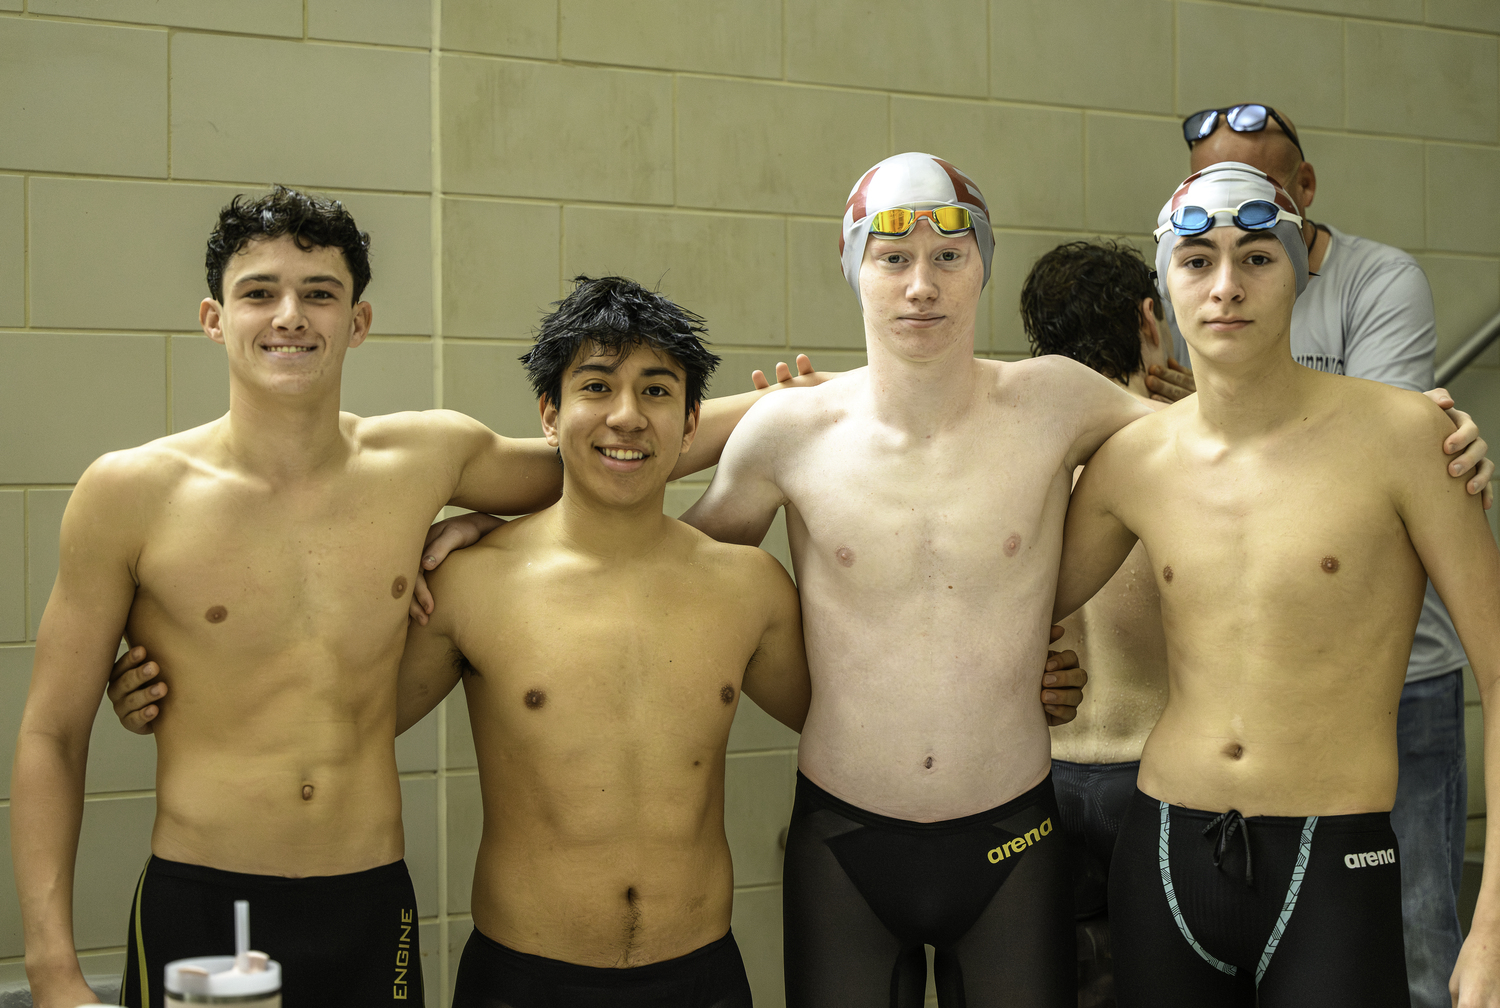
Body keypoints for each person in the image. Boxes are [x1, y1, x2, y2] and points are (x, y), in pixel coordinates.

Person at [11, 188, 823, 1008]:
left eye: (319, 294)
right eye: (260, 292)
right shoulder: (128, 493)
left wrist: (798, 406)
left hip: (369, 900)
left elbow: (604, 456)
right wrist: (52, 971)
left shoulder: (425, 459)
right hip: (211, 893)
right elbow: (50, 733)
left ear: (356, 320)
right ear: (214, 317)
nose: (290, 315)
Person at [681, 151, 1160, 1007]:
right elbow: (658, 570)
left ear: (983, 268)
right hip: (845, 838)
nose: (921, 285)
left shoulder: (1054, 401)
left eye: (949, 256)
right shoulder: (790, 430)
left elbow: (1218, 444)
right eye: (893, 258)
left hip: (1013, 832)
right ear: (853, 269)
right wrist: (494, 536)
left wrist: (1399, 423)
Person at [1052, 161, 1500, 1006]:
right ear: (1165, 289)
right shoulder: (1130, 461)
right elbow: (1005, 601)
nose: (1226, 286)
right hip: (1163, 851)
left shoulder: (1407, 438)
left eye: (1256, 257)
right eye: (1197, 261)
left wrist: (1495, 927)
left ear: (1297, 273)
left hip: (1333, 859)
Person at [384, 275, 811, 1007]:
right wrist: (167, 696)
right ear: (550, 415)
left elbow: (862, 727)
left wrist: (1011, 682)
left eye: (655, 390)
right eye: (595, 387)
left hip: (700, 978)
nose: (626, 416)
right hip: (525, 980)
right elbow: (340, 728)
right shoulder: (471, 585)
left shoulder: (749, 589)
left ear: (689, 422)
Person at [1020, 240, 1172, 1008]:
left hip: (1040, 775)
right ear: (1152, 321)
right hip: (1158, 773)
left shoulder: (1018, 462)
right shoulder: (1188, 456)